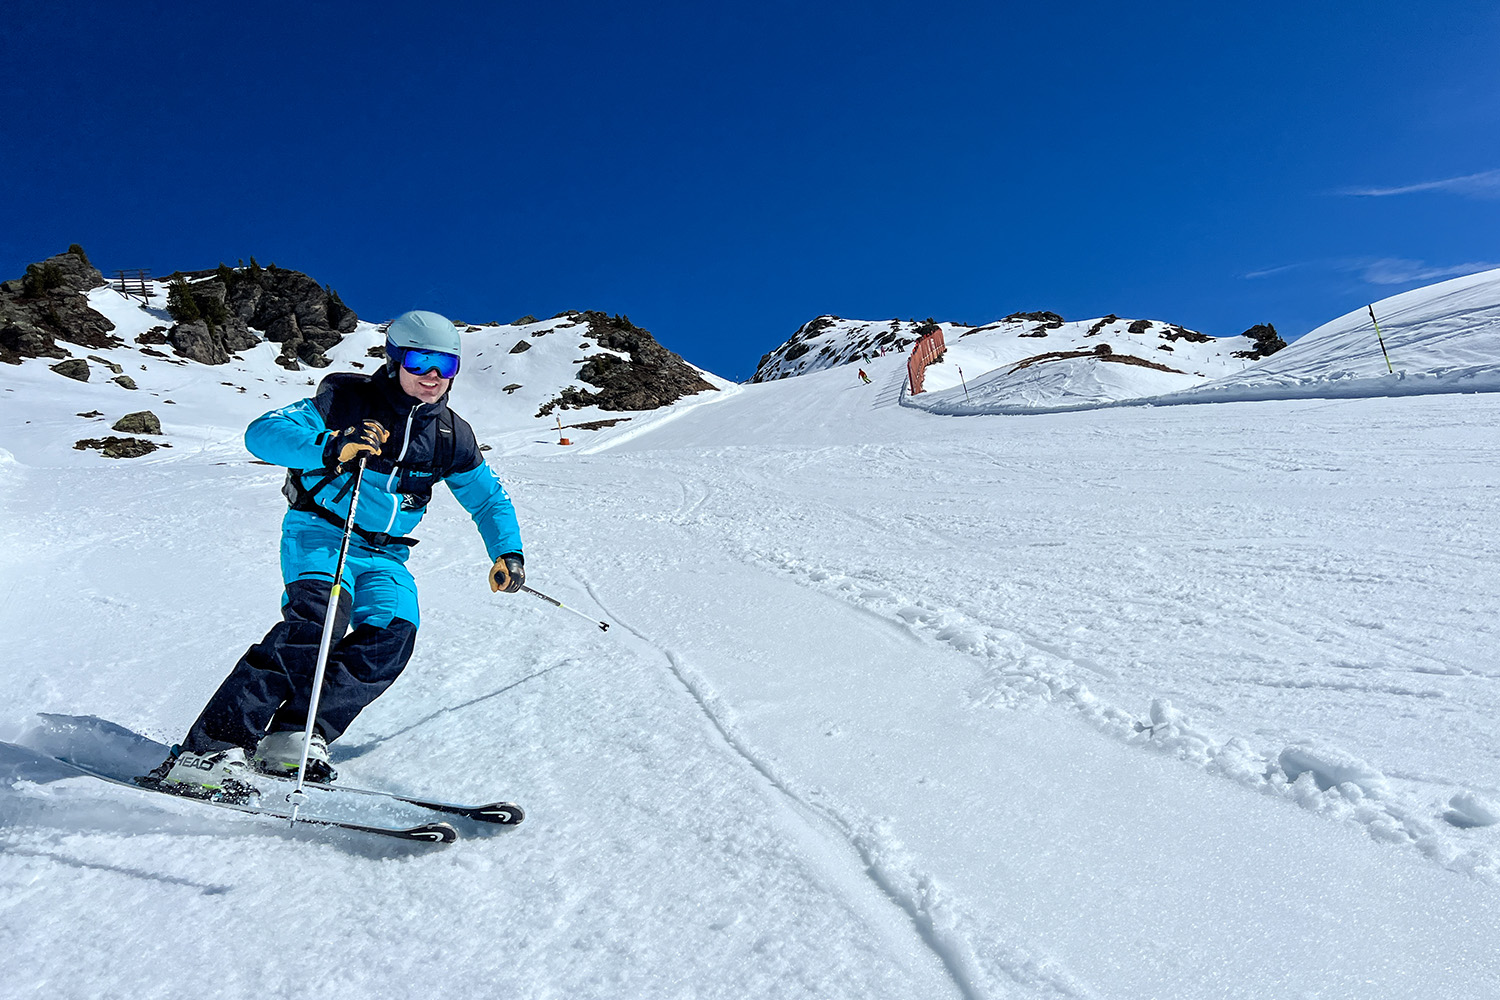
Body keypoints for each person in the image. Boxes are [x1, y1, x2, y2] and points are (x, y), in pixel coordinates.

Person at [150, 310, 525, 798]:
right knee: (316, 626)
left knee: (389, 640)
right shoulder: (345, 401)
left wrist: (507, 553)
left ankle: (295, 736)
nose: (432, 377)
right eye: (421, 361)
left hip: (387, 555)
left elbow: (487, 499)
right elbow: (262, 434)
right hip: (324, 531)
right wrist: (331, 446)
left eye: (445, 366)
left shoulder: (453, 435)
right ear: (395, 360)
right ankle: (210, 749)